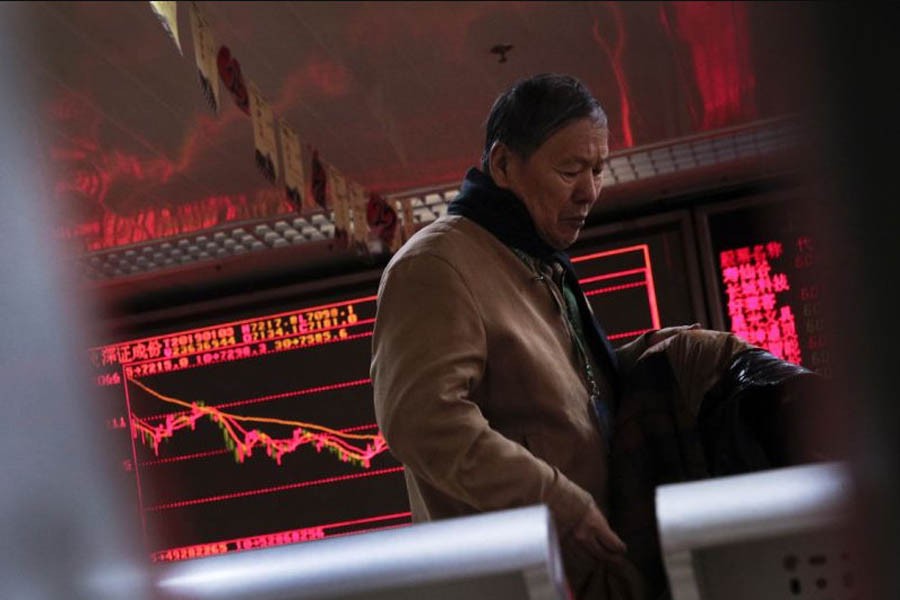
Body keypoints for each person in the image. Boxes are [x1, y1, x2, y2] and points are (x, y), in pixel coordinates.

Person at [370, 73, 693, 599]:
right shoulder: (435, 264)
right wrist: (555, 500)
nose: (589, 191)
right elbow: (422, 421)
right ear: (502, 165)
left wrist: (658, 356)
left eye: (597, 170)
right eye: (570, 170)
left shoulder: (538, 260)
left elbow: (560, 396)